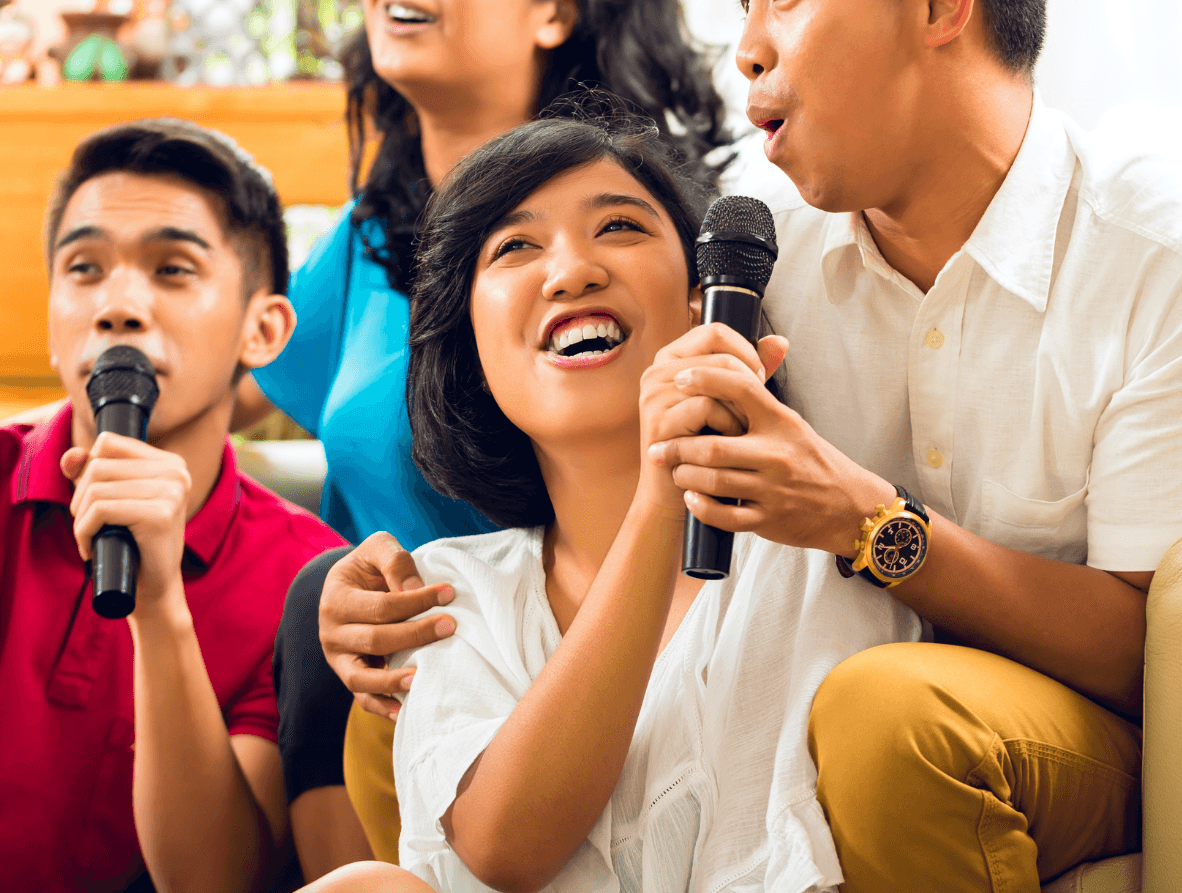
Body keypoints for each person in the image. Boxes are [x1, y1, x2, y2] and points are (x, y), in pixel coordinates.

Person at [320, 0, 1182, 890]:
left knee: (887, 718)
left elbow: (1169, 663)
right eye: (741, 1)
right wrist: (366, 590)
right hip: (822, 680)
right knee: (405, 722)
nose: (746, 47)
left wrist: (870, 527)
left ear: (937, 3)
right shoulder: (748, 248)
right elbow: (581, 443)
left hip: (1068, 720)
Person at [238, 0, 734, 870]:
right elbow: (233, 385)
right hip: (394, 697)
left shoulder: (666, 242)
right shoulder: (369, 232)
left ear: (558, 5)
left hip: (612, 674)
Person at [302, 113, 920, 893]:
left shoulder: (816, 559)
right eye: (515, 248)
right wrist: (658, 504)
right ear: (475, 349)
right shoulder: (455, 594)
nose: (572, 271)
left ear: (705, 303)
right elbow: (505, 848)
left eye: (620, 227)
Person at [0, 119, 344, 893]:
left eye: (172, 269)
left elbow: (218, 879)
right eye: (83, 268)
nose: (118, 305)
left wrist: (159, 606)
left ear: (264, 329)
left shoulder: (310, 580)